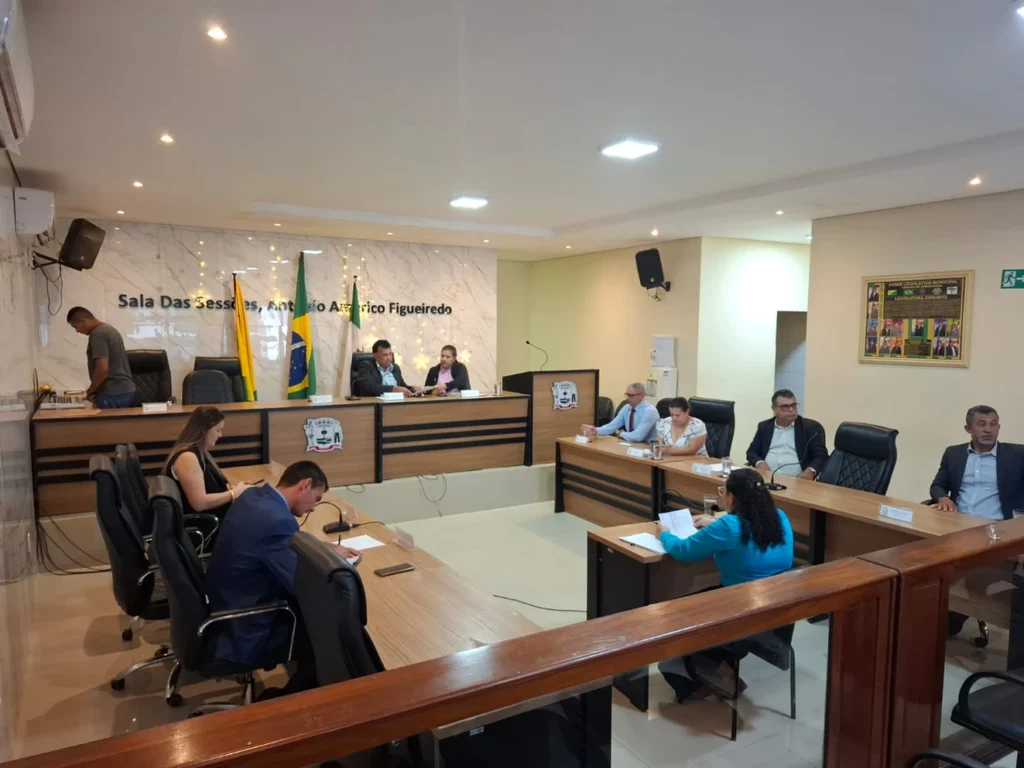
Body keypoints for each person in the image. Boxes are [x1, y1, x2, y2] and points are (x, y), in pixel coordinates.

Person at [204, 461, 361, 698]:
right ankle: (289, 701)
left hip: (224, 601)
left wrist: (323, 548)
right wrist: (336, 565)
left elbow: (286, 542)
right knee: (330, 635)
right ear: (305, 485)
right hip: (245, 625)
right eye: (316, 499)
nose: (313, 508)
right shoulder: (276, 520)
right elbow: (301, 585)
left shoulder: (254, 497)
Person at [656, 468, 793, 700]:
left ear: (731, 497)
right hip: (776, 614)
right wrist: (715, 521)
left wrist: (664, 533)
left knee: (672, 614)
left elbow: (682, 550)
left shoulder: (729, 526)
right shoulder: (779, 517)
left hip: (737, 612)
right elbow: (748, 527)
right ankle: (720, 668)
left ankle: (710, 675)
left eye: (723, 492)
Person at [929, 406, 1024, 638]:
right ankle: (943, 612)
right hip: (957, 526)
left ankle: (957, 614)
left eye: (994, 424)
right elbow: (938, 485)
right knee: (929, 566)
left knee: (970, 574)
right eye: (982, 424)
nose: (989, 430)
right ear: (968, 428)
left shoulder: (1017, 455)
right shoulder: (954, 453)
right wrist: (943, 498)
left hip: (997, 530)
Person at [162, 406, 250, 523]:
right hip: (207, 523)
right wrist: (234, 493)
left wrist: (233, 489)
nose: (220, 435)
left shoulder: (201, 453)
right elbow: (199, 503)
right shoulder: (187, 458)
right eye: (217, 430)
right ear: (204, 431)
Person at [746, 389, 829, 480]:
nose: (791, 410)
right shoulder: (765, 426)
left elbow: (821, 456)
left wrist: (810, 471)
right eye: (785, 406)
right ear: (774, 408)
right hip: (767, 477)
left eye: (794, 405)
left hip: (797, 479)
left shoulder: (811, 427)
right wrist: (759, 463)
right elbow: (751, 452)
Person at [65, 306, 137, 409]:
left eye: (75, 327)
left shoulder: (98, 334)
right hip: (125, 391)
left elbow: (102, 369)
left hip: (111, 393)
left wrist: (91, 391)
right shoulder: (109, 329)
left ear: (83, 321)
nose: (77, 331)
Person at [580, 382, 658, 443]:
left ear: (642, 395)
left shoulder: (650, 411)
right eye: (627, 395)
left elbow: (637, 437)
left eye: (631, 396)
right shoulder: (626, 408)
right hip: (631, 443)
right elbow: (612, 426)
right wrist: (596, 430)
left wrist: (620, 434)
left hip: (646, 447)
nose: (627, 398)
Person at [355, 339, 419, 396]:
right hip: (376, 403)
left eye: (390, 354)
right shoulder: (366, 366)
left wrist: (412, 389)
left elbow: (401, 387)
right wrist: (394, 389)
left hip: (397, 402)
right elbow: (371, 387)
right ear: (375, 356)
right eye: (385, 355)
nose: (389, 358)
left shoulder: (395, 368)